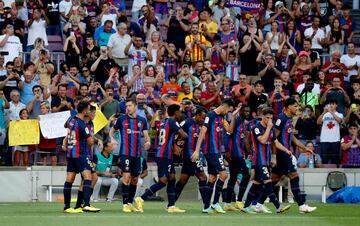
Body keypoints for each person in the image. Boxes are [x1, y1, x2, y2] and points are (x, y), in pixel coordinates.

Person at [135, 104, 187, 213]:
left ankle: (171, 206)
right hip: (164, 156)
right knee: (163, 181)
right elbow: (183, 135)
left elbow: (166, 137)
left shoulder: (163, 122)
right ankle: (141, 198)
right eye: (180, 112)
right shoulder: (173, 121)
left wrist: (173, 146)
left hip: (164, 154)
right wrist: (180, 141)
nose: (181, 114)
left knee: (172, 178)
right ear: (175, 112)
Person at [241, 107, 291, 214]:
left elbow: (276, 143)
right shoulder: (256, 128)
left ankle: (245, 206)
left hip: (266, 160)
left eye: (271, 118)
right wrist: (268, 128)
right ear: (262, 117)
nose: (269, 120)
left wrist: (286, 150)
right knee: (268, 183)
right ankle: (278, 206)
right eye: (267, 118)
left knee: (256, 183)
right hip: (259, 160)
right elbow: (262, 140)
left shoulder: (271, 129)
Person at [271, 98, 317, 213]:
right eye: (295, 106)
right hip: (282, 153)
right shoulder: (281, 119)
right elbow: (273, 138)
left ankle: (257, 202)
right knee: (294, 175)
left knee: (273, 179)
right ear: (288, 107)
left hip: (287, 152)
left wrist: (304, 147)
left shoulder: (290, 119)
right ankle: (301, 206)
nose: (297, 108)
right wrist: (274, 155)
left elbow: (292, 137)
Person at [191, 99, 236, 214]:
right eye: (229, 111)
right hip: (211, 151)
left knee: (212, 178)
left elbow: (229, 130)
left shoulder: (222, 117)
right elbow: (202, 132)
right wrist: (196, 150)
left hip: (217, 151)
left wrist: (234, 116)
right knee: (224, 174)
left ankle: (206, 207)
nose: (228, 113)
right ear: (225, 107)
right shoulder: (210, 116)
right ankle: (215, 203)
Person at [109, 99, 151, 212]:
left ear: (135, 106)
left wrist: (148, 142)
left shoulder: (142, 120)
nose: (128, 108)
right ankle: (125, 204)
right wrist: (112, 139)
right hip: (125, 153)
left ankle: (130, 203)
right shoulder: (122, 119)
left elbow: (146, 135)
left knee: (134, 180)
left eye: (130, 105)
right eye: (126, 106)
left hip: (137, 155)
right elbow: (111, 131)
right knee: (126, 177)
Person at [62, 100, 100, 213]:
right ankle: (86, 204)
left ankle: (67, 207)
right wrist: (93, 138)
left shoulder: (71, 119)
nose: (89, 111)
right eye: (88, 109)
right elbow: (90, 142)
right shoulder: (82, 124)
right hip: (80, 154)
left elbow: (65, 126)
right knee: (88, 178)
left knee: (69, 179)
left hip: (70, 153)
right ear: (84, 111)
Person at [174, 107, 208, 207]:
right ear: (196, 115)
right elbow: (176, 133)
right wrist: (177, 146)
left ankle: (171, 203)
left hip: (195, 155)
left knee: (183, 180)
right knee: (203, 177)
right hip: (190, 155)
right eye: (202, 117)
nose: (203, 120)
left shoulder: (201, 125)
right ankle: (207, 205)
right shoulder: (187, 123)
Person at [223, 105, 250, 211]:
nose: (247, 113)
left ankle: (227, 203)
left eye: (249, 111)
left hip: (238, 153)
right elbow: (227, 135)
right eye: (245, 111)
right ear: (241, 112)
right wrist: (227, 151)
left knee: (233, 177)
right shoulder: (237, 120)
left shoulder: (243, 122)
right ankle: (239, 201)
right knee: (246, 175)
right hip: (235, 154)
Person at [317, 99, 343, 165]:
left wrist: (331, 112)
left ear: (336, 105)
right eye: (330, 104)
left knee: (335, 159)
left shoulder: (340, 114)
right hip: (324, 139)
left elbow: (339, 121)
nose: (331, 105)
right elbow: (318, 122)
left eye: (333, 104)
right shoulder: (325, 114)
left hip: (335, 139)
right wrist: (323, 112)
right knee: (324, 159)